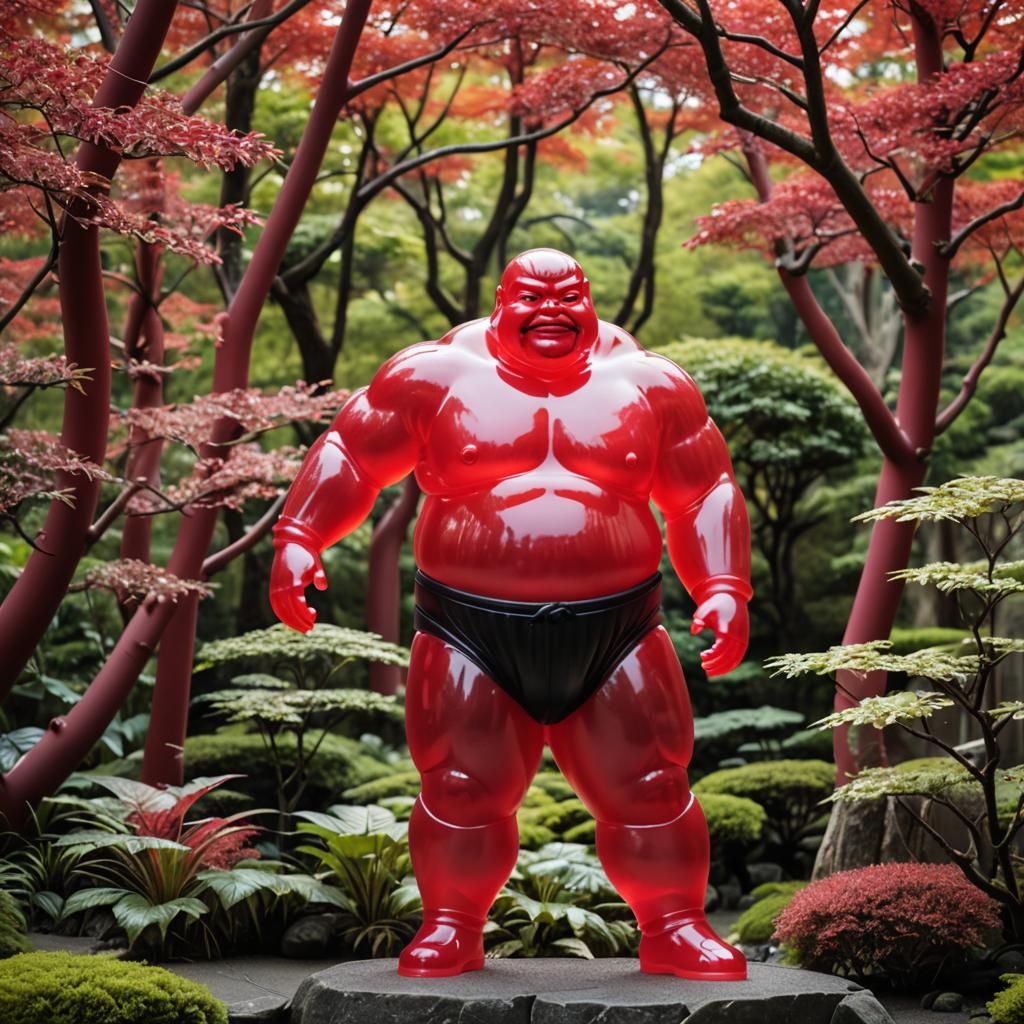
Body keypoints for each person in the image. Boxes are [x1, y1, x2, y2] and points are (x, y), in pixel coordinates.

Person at [270, 248, 753, 981]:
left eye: (567, 299)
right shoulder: (433, 377)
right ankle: (452, 927)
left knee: (652, 784)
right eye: (532, 297)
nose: (550, 312)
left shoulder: (651, 385)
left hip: (618, 626)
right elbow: (353, 453)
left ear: (590, 302)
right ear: (501, 302)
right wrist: (299, 537)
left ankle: (676, 925)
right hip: (469, 627)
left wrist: (723, 583)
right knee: (461, 786)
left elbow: (704, 490)